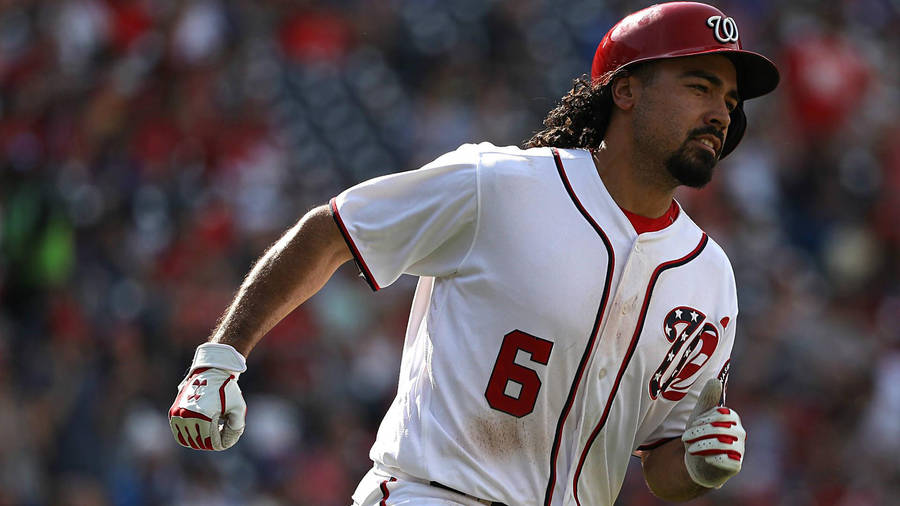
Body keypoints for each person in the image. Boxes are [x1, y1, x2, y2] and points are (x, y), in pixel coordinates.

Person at [168, 2, 779, 504]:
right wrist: (219, 359)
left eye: (729, 100)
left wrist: (699, 464)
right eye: (700, 85)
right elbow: (330, 232)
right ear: (626, 91)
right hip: (431, 494)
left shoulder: (710, 276)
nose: (719, 112)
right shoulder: (501, 185)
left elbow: (659, 463)